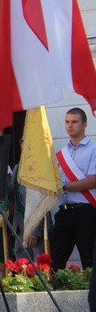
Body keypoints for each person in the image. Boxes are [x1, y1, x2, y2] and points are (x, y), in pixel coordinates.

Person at [51, 107, 96, 270]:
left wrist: (63, 186)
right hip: (64, 212)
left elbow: (92, 181)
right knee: (53, 262)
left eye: (75, 122)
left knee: (88, 261)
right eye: (67, 122)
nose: (70, 126)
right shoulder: (60, 154)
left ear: (84, 124)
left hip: (86, 212)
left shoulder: (93, 150)